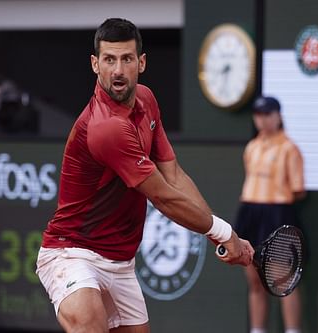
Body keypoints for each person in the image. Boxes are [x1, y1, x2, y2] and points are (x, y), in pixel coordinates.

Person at [36, 18, 254, 333]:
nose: (118, 70)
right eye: (109, 60)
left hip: (121, 261)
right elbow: (163, 197)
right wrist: (223, 233)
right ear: (95, 64)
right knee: (88, 321)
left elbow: (173, 175)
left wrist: (220, 234)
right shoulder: (105, 127)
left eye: (126, 59)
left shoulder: (146, 100)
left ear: (142, 62)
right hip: (71, 251)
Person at [234, 96, 306, 333]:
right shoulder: (252, 147)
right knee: (254, 280)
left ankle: (292, 330)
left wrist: (274, 204)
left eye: (267, 114)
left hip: (277, 214)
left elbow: (298, 190)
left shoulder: (289, 149)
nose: (262, 120)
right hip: (250, 214)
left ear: (278, 116)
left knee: (283, 280)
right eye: (258, 115)